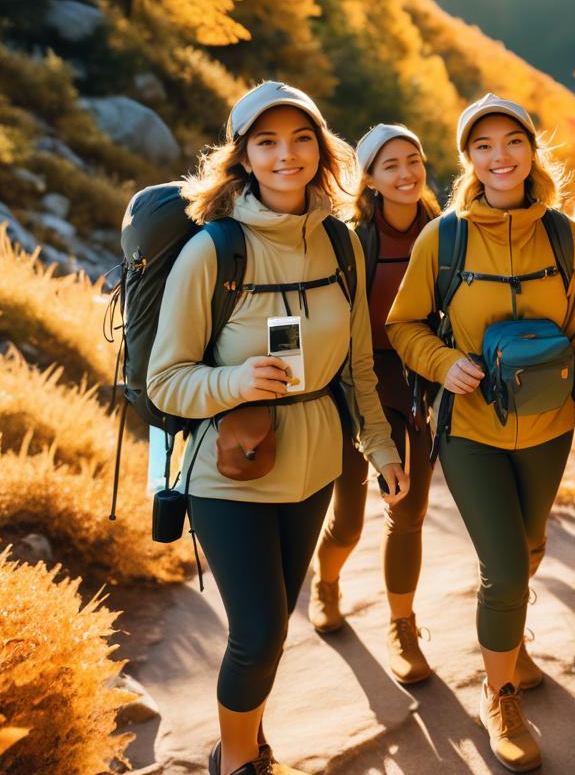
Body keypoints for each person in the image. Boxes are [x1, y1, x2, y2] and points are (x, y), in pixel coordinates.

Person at [146, 82, 409, 775]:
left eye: (300, 138)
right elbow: (165, 380)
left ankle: (250, 737)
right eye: (266, 141)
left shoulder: (342, 245)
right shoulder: (215, 251)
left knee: (272, 631)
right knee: (258, 633)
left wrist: (380, 449)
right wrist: (234, 382)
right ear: (244, 157)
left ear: (321, 150)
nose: (286, 154)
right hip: (227, 470)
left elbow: (355, 367)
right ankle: (234, 763)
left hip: (316, 465)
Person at [386, 93, 575, 773]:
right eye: (483, 146)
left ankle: (505, 637)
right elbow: (404, 325)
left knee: (532, 543)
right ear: (469, 160)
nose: (499, 157)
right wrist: (444, 361)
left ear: (530, 151)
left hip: (549, 428)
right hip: (472, 429)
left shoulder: (566, 236)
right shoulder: (444, 238)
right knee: (506, 566)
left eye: (511, 142)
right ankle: (501, 697)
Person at [310, 123, 440, 685]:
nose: (406, 173)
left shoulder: (444, 232)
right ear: (369, 178)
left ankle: (402, 626)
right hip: (353, 384)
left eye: (413, 160)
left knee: (407, 512)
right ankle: (327, 581)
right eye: (390, 165)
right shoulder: (351, 238)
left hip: (415, 383)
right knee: (348, 521)